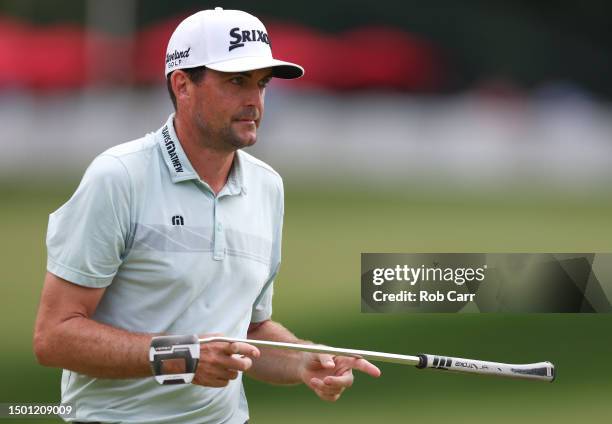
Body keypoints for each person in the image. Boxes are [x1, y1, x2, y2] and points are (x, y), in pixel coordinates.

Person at [34, 7, 380, 424]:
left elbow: (249, 331)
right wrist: (182, 357)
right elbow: (54, 337)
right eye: (236, 82)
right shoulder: (119, 177)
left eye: (262, 84)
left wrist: (301, 362)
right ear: (182, 85)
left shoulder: (267, 187)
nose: (254, 100)